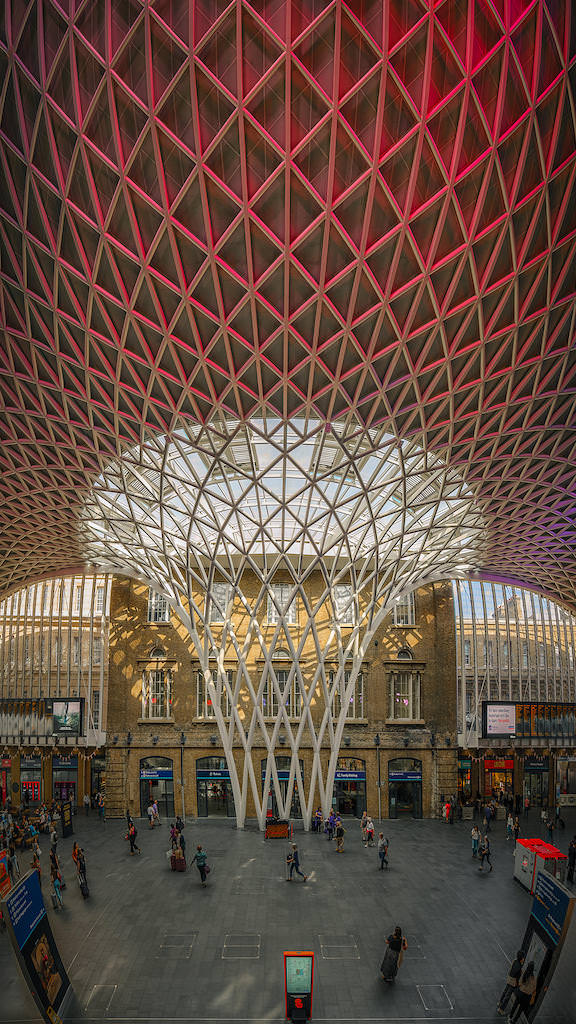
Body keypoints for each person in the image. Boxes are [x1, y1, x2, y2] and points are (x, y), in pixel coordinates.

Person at [497, 949, 525, 1016]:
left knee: (505, 991)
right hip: (513, 983)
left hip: (509, 979)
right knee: (508, 996)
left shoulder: (515, 961)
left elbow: (511, 970)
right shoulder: (519, 966)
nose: (524, 959)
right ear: (521, 958)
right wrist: (518, 984)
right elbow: (518, 977)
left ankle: (500, 1002)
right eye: (523, 957)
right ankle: (501, 1009)